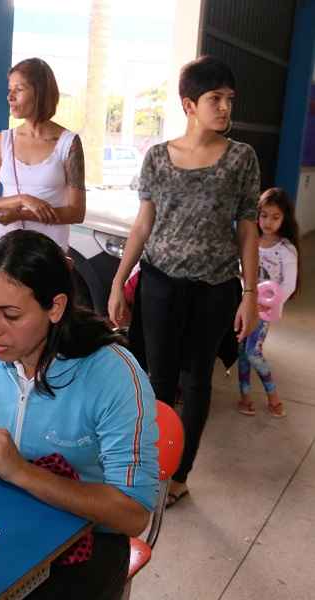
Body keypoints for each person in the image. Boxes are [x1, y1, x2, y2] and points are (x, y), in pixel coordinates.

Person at [0, 229, 158, 599]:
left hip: (89, 541)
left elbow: (133, 514)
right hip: (0, 515)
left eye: (10, 314)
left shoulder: (113, 375)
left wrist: (22, 471)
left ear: (55, 307)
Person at [107, 56, 260, 508]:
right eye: (215, 99)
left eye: (229, 99)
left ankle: (180, 474)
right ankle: (151, 467)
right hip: (158, 284)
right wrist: (119, 281)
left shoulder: (241, 159)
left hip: (214, 288)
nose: (225, 108)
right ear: (189, 104)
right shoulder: (157, 157)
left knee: (196, 382)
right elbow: (142, 226)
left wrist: (249, 294)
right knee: (157, 379)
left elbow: (247, 228)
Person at [0, 57, 86, 250]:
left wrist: (21, 214)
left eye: (18, 90)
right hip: (2, 248)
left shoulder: (68, 144)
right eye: (9, 90)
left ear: (40, 93)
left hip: (47, 251)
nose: (10, 97)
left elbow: (77, 212)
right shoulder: (2, 140)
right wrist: (22, 199)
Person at [237, 188, 300, 419]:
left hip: (264, 312)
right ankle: (244, 397)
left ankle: (273, 396)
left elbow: (289, 285)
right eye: (264, 215)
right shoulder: (249, 240)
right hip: (244, 306)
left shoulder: (286, 249)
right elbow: (239, 271)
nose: (268, 222)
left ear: (284, 218)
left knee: (253, 353)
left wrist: (267, 303)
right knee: (242, 353)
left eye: (275, 217)